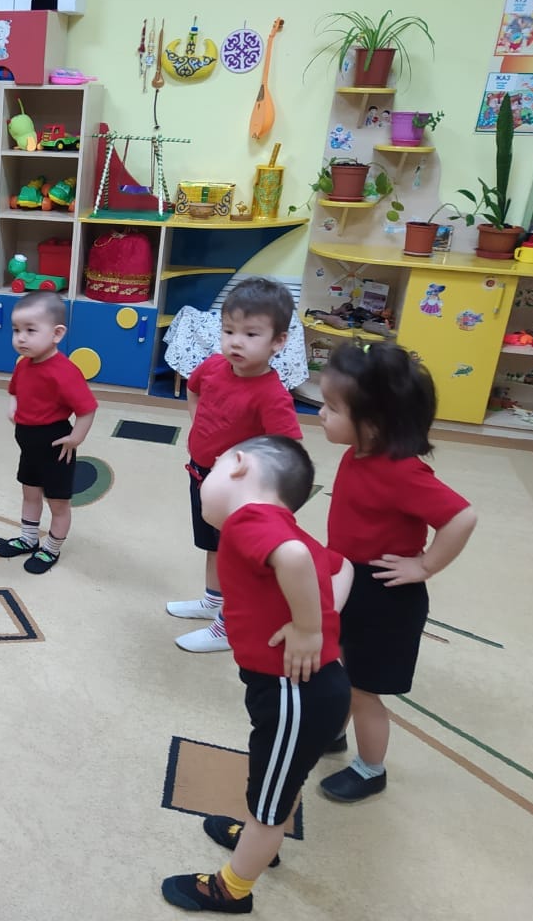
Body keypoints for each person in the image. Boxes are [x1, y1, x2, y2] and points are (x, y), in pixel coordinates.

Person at [162, 435, 353, 914]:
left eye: (210, 471)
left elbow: (294, 558)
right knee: (276, 779)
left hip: (294, 692)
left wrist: (310, 628)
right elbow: (342, 567)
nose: (202, 483)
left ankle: (232, 889)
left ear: (239, 466)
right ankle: (260, 838)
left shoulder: (250, 520)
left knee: (268, 801)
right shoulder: (280, 523)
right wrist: (322, 616)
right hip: (301, 689)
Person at [315, 342, 476, 803]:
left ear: (374, 422)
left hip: (385, 597)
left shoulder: (403, 472)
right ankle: (334, 734)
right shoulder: (358, 452)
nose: (321, 414)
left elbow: (461, 517)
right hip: (351, 579)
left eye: (332, 408)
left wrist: (424, 565)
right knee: (339, 668)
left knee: (364, 690)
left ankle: (371, 770)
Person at [167, 278, 302, 654]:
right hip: (201, 474)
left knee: (237, 557)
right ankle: (213, 602)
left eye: (251, 334)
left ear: (278, 341)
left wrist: (256, 483)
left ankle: (229, 627)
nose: (236, 342)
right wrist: (198, 425)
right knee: (213, 546)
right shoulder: (213, 366)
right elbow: (194, 388)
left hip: (239, 492)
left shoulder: (272, 395)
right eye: (229, 331)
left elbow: (289, 451)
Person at [0, 290, 97, 574]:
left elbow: (87, 408)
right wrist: (13, 407)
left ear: (57, 333)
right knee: (29, 493)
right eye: (16, 330)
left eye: (30, 330)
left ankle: (51, 548)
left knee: (58, 502)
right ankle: (28, 538)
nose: (21, 338)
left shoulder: (65, 372)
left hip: (56, 446)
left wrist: (76, 438)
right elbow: (14, 390)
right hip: (28, 445)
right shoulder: (24, 365)